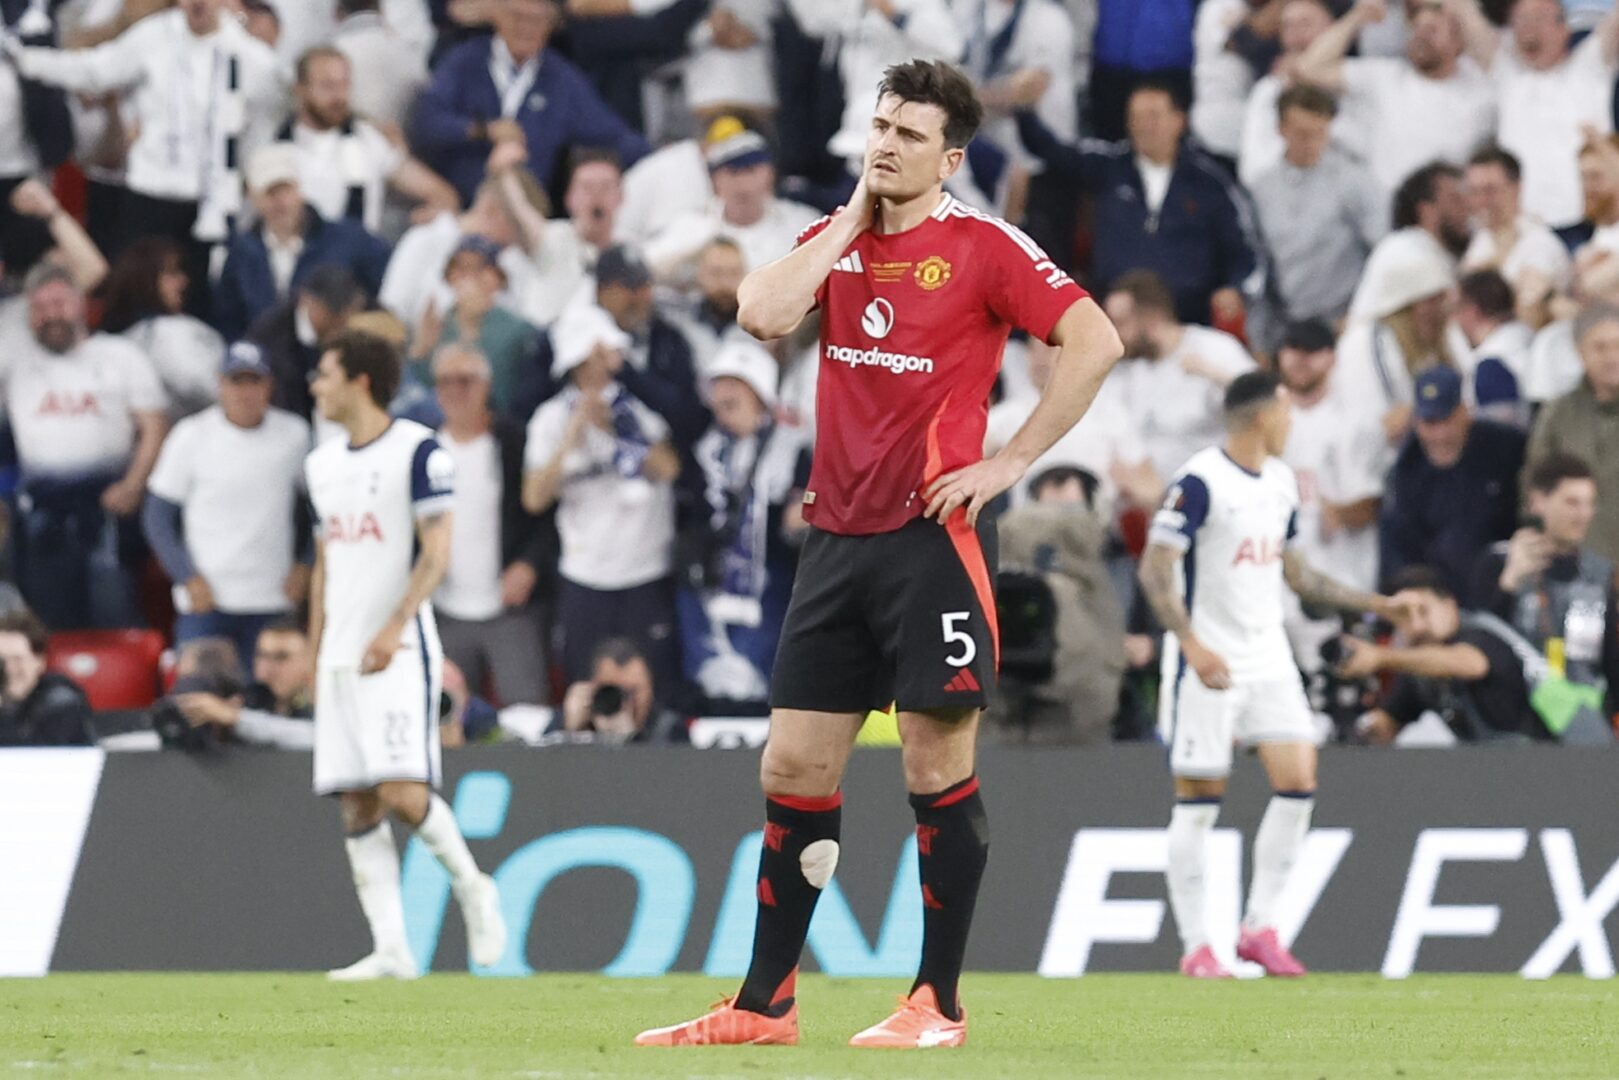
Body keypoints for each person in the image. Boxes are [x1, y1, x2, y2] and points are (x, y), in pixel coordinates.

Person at [636, 59, 1122, 1050]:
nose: (887, 145)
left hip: (932, 537)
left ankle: (937, 1004)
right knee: (792, 764)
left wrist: (1008, 462)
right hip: (835, 540)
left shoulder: (984, 246)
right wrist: (852, 219)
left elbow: (1095, 341)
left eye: (909, 134)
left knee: (931, 759)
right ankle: (765, 1003)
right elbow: (761, 313)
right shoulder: (836, 235)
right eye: (881, 126)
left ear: (950, 158)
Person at [1138, 371, 1402, 979]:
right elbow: (1154, 570)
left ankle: (1259, 928)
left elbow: (1298, 576)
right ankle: (1197, 945)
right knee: (1199, 799)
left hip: (1268, 655)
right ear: (1262, 417)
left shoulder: (1281, 482)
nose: (1290, 423)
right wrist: (1191, 644)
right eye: (1285, 413)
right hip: (1207, 658)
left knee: (1298, 781)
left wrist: (1378, 605)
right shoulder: (1199, 482)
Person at [305, 330, 506, 981]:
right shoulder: (321, 465)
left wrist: (393, 626)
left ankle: (474, 887)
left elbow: (437, 550)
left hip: (397, 649)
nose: (315, 385)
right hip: (339, 655)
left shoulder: (419, 451)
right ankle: (392, 948)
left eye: (325, 373)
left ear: (360, 380)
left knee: (399, 789)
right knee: (356, 801)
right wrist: (315, 649)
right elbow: (325, 565)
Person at [2, 0, 286, 297]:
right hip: (150, 193)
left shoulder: (248, 55)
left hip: (209, 203)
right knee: (132, 290)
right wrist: (29, 61)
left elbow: (274, 110)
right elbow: (96, 70)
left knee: (198, 294)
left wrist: (243, 172)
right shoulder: (154, 36)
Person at [522, 303, 682, 692]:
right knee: (586, 690)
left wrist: (613, 430)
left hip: (645, 574)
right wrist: (571, 436)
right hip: (585, 578)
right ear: (580, 360)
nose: (612, 359)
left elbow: (669, 468)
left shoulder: (638, 407)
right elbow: (534, 498)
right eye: (601, 353)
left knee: (653, 692)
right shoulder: (549, 419)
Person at [1017, 80, 1262, 326]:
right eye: (1135, 117)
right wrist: (1024, 109)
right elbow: (1051, 150)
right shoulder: (1110, 167)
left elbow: (1245, 251)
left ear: (1179, 120)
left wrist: (1237, 289)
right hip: (1115, 321)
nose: (1144, 125)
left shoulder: (1210, 183)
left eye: (1153, 116)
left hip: (1187, 323)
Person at [3, 263, 167, 629]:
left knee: (114, 612)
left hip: (108, 507)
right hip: (43, 512)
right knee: (49, 622)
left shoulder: (118, 355)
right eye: (40, 308)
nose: (50, 315)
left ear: (80, 305)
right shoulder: (16, 364)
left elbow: (154, 426)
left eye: (59, 304)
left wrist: (134, 485)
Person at [143, 342, 312, 665]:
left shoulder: (294, 435)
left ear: (269, 385)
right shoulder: (191, 435)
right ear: (220, 384)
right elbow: (158, 516)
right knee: (199, 686)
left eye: (254, 381)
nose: (246, 392)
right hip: (208, 597)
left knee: (269, 689)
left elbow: (317, 509)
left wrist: (306, 564)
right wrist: (186, 576)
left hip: (272, 596)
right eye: (237, 381)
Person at [409, 0, 649, 207]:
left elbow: (612, 135)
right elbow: (426, 122)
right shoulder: (465, 62)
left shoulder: (560, 79)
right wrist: (483, 130)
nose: (526, 28)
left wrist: (659, 157)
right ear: (498, 16)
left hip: (527, 217)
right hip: (459, 206)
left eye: (536, 20)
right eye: (517, 17)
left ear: (550, 25)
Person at [677, 339, 807, 711]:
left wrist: (800, 515)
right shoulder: (705, 450)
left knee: (763, 690)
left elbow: (806, 513)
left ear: (759, 396)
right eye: (719, 400)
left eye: (733, 397)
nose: (724, 410)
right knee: (710, 690)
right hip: (708, 588)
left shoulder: (793, 449)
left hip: (770, 588)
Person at [430, 344, 549, 707]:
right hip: (444, 607)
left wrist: (529, 564)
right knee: (447, 713)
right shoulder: (423, 450)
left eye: (465, 381)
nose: (455, 391)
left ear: (486, 385)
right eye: (445, 382)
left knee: (526, 709)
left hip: (507, 607)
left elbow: (546, 515)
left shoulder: (514, 441)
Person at [1294, 0, 1495, 205]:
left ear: (1457, 43)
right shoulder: (1386, 77)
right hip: (1384, 205)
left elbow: (1491, 54)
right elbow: (1309, 68)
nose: (1421, 36)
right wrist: (1357, 17)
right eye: (1416, 29)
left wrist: (1461, 8)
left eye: (1431, 30)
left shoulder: (1476, 92)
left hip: (1445, 208)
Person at [1470, 454, 1619, 729]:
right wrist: (1509, 582)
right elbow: (1477, 644)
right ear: (1538, 501)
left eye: (1589, 503)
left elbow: (1610, 656)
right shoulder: (1497, 562)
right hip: (1515, 721)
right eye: (1572, 502)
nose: (1583, 514)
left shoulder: (1599, 574)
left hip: (1583, 719)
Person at [988, 464, 1126, 745]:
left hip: (1074, 692)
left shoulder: (1108, 563)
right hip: (1011, 691)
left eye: (1070, 507)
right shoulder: (1006, 545)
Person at [1247, 84, 1384, 351]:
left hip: (1345, 322)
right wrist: (1260, 339)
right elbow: (1259, 266)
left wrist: (1363, 314)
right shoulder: (1261, 189)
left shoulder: (1354, 180)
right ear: (1281, 129)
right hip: (1287, 329)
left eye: (1320, 133)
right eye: (1302, 134)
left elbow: (1383, 252)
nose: (1311, 142)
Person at [1342, 566, 1544, 742]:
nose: (1417, 626)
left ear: (1449, 604)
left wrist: (1381, 657)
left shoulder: (1480, 632)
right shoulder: (1419, 665)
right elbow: (1390, 720)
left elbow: (1468, 664)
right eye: (1404, 616)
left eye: (1424, 611)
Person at [213, 144, 393, 342]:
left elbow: (386, 292)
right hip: (267, 355)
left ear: (299, 188)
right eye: (270, 192)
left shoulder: (348, 239)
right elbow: (228, 321)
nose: (280, 201)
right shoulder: (242, 254)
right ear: (253, 197)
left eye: (285, 189)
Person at [278, 46, 459, 236]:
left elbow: (442, 194)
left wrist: (429, 219)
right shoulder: (278, 150)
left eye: (344, 84)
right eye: (328, 86)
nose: (338, 96)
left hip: (360, 249)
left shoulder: (368, 139)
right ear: (300, 89)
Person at [1472, 0, 1618, 230]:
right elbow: (1463, 12)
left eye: (1538, 18)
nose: (1529, 28)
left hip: (1594, 221)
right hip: (1525, 228)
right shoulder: (1507, 76)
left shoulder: (1589, 66)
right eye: (1520, 20)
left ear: (1564, 28)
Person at [1381, 366, 1525, 595]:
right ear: (1416, 422)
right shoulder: (1405, 472)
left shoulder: (1508, 449)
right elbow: (1403, 553)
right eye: (1430, 423)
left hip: (1508, 587)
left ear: (1465, 412)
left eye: (1446, 420)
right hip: (1442, 596)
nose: (1440, 435)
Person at [1104, 269, 1256, 484]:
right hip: (1150, 495)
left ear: (1152, 319)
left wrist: (1216, 375)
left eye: (1120, 323)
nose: (1113, 334)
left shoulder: (1213, 349)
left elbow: (1269, 403)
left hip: (1212, 489)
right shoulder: (1126, 370)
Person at [379, 145, 548, 329]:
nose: (516, 242)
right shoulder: (424, 240)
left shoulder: (514, 262)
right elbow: (392, 312)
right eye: (518, 230)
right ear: (493, 210)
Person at [643, 123, 821, 290]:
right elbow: (647, 266)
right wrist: (694, 245)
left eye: (751, 171)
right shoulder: (695, 225)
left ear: (769, 174)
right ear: (714, 181)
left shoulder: (801, 222)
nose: (743, 184)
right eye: (733, 173)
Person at [1525, 304, 1619, 563]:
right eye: (1600, 347)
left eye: (1618, 345)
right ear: (1580, 352)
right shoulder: (1558, 413)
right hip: (1578, 561)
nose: (1612, 357)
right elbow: (1535, 480)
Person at [410, 236, 540, 420]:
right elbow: (421, 388)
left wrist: (472, 327)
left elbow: (511, 392)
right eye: (459, 268)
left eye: (478, 268)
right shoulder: (435, 326)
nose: (468, 278)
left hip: (496, 425)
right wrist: (421, 351)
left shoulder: (519, 331)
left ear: (496, 277)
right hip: (440, 422)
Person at [99, 237, 225, 419]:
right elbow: (203, 386)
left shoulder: (118, 337)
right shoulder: (167, 331)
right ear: (144, 280)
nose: (183, 281)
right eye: (172, 274)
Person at [1236, 0, 1345, 186]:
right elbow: (1252, 168)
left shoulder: (1358, 80)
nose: (1296, 34)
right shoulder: (1268, 90)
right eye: (1288, 26)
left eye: (1305, 23)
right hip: (1284, 190)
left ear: (1331, 29)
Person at [1347, 162, 1469, 323]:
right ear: (1426, 210)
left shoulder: (1439, 254)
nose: (1467, 208)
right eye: (1455, 200)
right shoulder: (1407, 252)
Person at [246, 265, 369, 423]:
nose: (341, 323)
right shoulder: (270, 337)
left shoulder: (350, 326)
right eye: (334, 315)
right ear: (308, 302)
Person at [170, 618, 318, 748]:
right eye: (262, 656)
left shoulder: (321, 702)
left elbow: (316, 737)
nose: (268, 669)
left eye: (281, 657)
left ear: (311, 660)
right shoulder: (252, 698)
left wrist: (235, 718)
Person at [1461, 146, 1572, 297]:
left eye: (1490, 190)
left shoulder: (1540, 244)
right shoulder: (1482, 239)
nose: (1481, 201)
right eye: (1474, 191)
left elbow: (1530, 303)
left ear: (1517, 188)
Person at [554, 636, 687, 743]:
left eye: (634, 691)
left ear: (650, 689)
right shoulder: (572, 719)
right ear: (593, 687)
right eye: (615, 690)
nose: (626, 702)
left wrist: (632, 740)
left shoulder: (669, 729)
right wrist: (571, 732)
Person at [331, 0, 433, 134]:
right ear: (383, 11)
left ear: (337, 13)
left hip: (349, 139)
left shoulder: (328, 55)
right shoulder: (406, 50)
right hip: (401, 139)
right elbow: (427, 94)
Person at [0, 608, 92, 746]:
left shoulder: (62, 702)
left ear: (39, 661)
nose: (9, 668)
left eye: (17, 659)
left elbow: (33, 753)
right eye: (1, 660)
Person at [1452, 268, 1532, 426]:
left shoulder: (1490, 366)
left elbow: (1501, 433)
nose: (1455, 320)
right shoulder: (1534, 340)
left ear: (1471, 311)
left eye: (1456, 310)